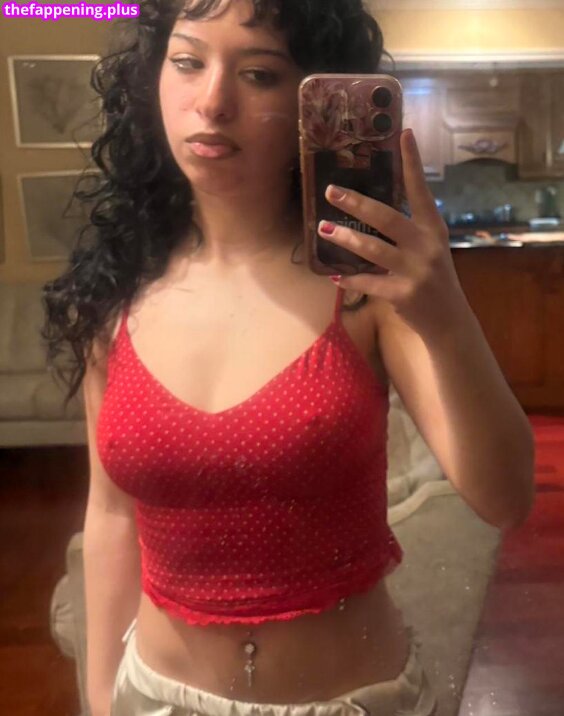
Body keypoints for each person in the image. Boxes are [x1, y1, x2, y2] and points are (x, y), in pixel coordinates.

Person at [41, 1, 536, 715]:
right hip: (151, 696)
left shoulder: (366, 288)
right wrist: (99, 699)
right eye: (187, 62)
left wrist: (447, 315)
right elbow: (113, 516)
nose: (212, 102)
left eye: (259, 74)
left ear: (313, 104)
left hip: (355, 700)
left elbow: (506, 498)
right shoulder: (118, 290)